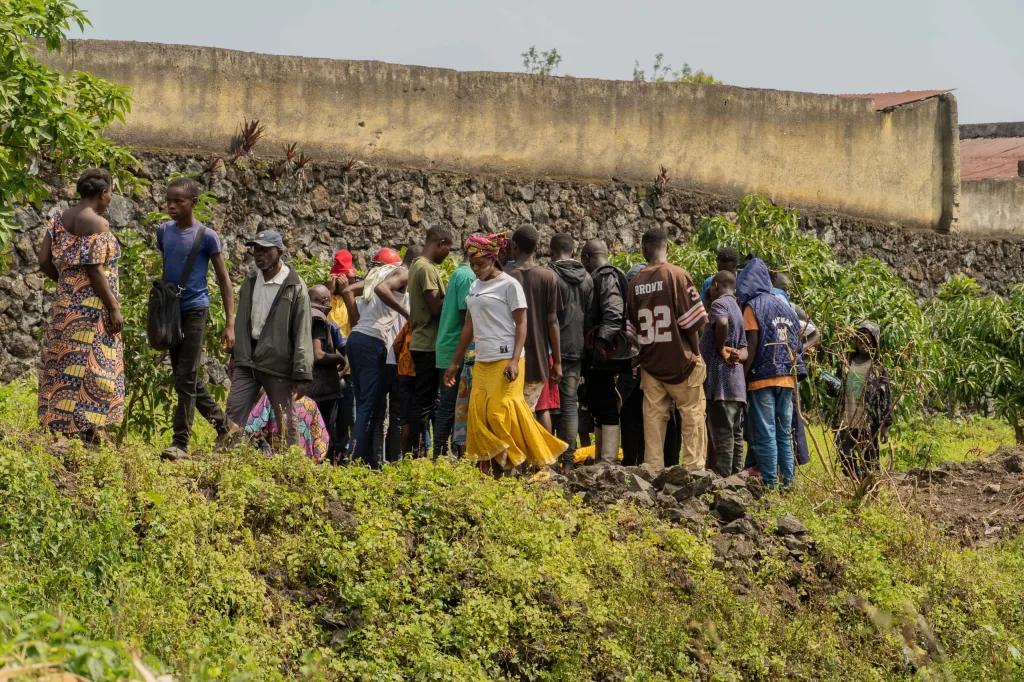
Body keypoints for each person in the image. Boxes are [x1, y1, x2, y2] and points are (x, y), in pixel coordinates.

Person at [443, 234, 566, 475]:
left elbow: (522, 325)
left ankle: (522, 462)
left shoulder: (510, 285)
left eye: (481, 264)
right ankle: (494, 471)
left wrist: (514, 359)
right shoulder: (475, 286)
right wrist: (454, 362)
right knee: (480, 416)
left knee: (500, 413)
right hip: (482, 360)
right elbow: (469, 325)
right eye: (472, 264)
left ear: (494, 259)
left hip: (506, 359)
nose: (476, 269)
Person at [37, 168, 124, 441]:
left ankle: (59, 424)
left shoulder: (59, 218)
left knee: (63, 363)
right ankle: (89, 429)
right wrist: (113, 307)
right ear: (101, 193)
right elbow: (95, 271)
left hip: (65, 305)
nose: (110, 198)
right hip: (92, 307)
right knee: (94, 367)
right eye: (110, 192)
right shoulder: (98, 224)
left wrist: (64, 282)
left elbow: (43, 260)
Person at [154, 177, 234, 460]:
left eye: (179, 202)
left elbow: (224, 280)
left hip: (196, 309)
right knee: (183, 375)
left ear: (194, 203)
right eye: (169, 201)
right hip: (171, 310)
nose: (172, 206)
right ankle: (225, 427)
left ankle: (180, 443)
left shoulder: (207, 236)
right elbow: (167, 272)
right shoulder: (163, 232)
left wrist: (229, 323)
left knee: (185, 375)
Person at [626, 228, 708, 472]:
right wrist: (697, 354)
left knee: (653, 418)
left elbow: (631, 330)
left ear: (644, 249)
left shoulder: (635, 281)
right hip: (681, 360)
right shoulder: (678, 275)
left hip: (650, 362)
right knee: (692, 414)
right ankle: (694, 469)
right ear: (667, 248)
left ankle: (652, 468)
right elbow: (691, 322)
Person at [225, 231, 313, 449]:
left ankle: (293, 465)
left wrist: (301, 373)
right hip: (248, 359)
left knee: (286, 419)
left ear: (280, 252)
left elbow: (302, 331)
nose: (259, 254)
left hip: (277, 362)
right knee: (233, 411)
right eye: (256, 249)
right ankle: (224, 459)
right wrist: (236, 356)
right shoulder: (251, 280)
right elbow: (242, 320)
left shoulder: (294, 285)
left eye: (265, 250)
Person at [379, 226, 453, 456]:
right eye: (448, 250)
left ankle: (414, 454)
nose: (447, 255)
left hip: (422, 342)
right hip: (427, 344)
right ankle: (414, 455)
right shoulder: (426, 268)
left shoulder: (418, 266)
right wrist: (455, 295)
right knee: (425, 404)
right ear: (440, 243)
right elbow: (435, 307)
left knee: (421, 403)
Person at [737, 257, 800, 488]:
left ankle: (771, 484)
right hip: (787, 377)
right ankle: (788, 485)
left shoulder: (752, 306)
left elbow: (751, 345)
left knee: (766, 433)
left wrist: (742, 377)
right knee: (784, 433)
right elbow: (797, 343)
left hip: (762, 378)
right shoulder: (786, 305)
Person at [345, 247, 406, 467]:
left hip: (356, 339)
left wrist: (356, 322)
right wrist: (407, 313)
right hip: (373, 343)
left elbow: (346, 291)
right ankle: (350, 457)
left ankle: (366, 459)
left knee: (364, 402)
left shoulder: (370, 282)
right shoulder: (393, 283)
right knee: (368, 406)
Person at [580, 239, 632, 467]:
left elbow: (613, 310)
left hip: (603, 355)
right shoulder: (603, 276)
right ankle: (602, 457)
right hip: (598, 355)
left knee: (607, 401)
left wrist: (601, 342)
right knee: (600, 401)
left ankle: (608, 460)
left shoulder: (605, 276)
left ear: (585, 258)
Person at [546, 234, 593, 469]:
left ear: (551, 251)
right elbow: (590, 316)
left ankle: (547, 458)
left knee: (544, 405)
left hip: (549, 351)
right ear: (573, 253)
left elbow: (549, 317)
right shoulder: (587, 279)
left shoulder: (550, 276)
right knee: (569, 404)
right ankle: (568, 461)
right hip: (576, 349)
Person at [828, 322, 894, 479]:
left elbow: (886, 397)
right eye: (860, 340)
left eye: (867, 340)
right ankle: (857, 480)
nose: (863, 344)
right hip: (846, 420)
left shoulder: (878, 367)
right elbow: (835, 391)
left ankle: (869, 488)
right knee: (844, 456)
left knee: (870, 461)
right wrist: (830, 385)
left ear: (874, 342)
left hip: (868, 421)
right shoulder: (846, 362)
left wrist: (885, 425)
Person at [509, 225, 562, 411]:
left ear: (514, 246)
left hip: (507, 359)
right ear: (537, 248)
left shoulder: (505, 277)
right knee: (527, 414)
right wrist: (557, 362)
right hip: (537, 361)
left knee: (510, 417)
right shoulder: (548, 277)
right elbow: (552, 322)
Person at [700, 271, 748, 477]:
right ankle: (737, 479)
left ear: (717, 285)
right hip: (736, 384)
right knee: (736, 435)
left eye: (712, 287)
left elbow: (721, 323)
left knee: (722, 435)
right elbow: (745, 350)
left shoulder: (720, 304)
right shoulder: (738, 308)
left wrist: (721, 347)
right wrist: (736, 354)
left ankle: (724, 481)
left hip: (720, 383)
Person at [434, 251, 477, 459]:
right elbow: (465, 319)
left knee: (448, 404)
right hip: (455, 349)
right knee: (450, 405)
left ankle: (443, 453)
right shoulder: (468, 277)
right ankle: (441, 454)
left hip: (448, 346)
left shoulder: (459, 273)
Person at [308, 285, 348, 464]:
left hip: (302, 385)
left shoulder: (300, 315)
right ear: (326, 301)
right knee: (325, 432)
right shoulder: (319, 319)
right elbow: (318, 355)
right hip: (322, 388)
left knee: (307, 429)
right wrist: (339, 361)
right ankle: (325, 467)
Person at [244, 391, 330, 462]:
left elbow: (252, 428)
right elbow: (322, 437)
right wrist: (315, 460)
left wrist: (263, 452)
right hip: (303, 463)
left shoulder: (271, 398)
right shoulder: (310, 404)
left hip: (274, 462)